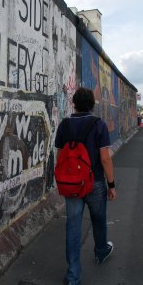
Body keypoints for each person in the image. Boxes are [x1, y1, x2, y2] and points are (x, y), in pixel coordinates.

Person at [55, 87, 117, 285]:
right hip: (95, 183)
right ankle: (101, 251)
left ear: (73, 103)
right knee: (98, 220)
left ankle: (73, 275)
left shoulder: (64, 125)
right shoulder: (99, 125)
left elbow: (60, 157)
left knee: (73, 226)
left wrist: (64, 178)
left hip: (72, 184)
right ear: (92, 104)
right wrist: (112, 185)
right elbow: (105, 158)